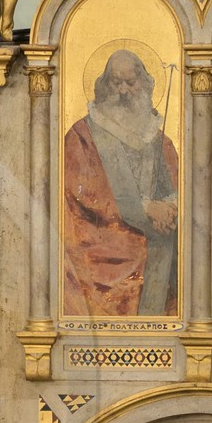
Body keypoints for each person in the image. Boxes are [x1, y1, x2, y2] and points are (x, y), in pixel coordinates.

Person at [63, 49, 178, 316]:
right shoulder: (82, 135)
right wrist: (145, 207)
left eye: (131, 82)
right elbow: (82, 192)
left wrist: (170, 208)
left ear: (144, 84)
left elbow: (177, 185)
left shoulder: (158, 138)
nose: (124, 91)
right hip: (101, 241)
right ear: (104, 86)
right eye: (117, 83)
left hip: (155, 243)